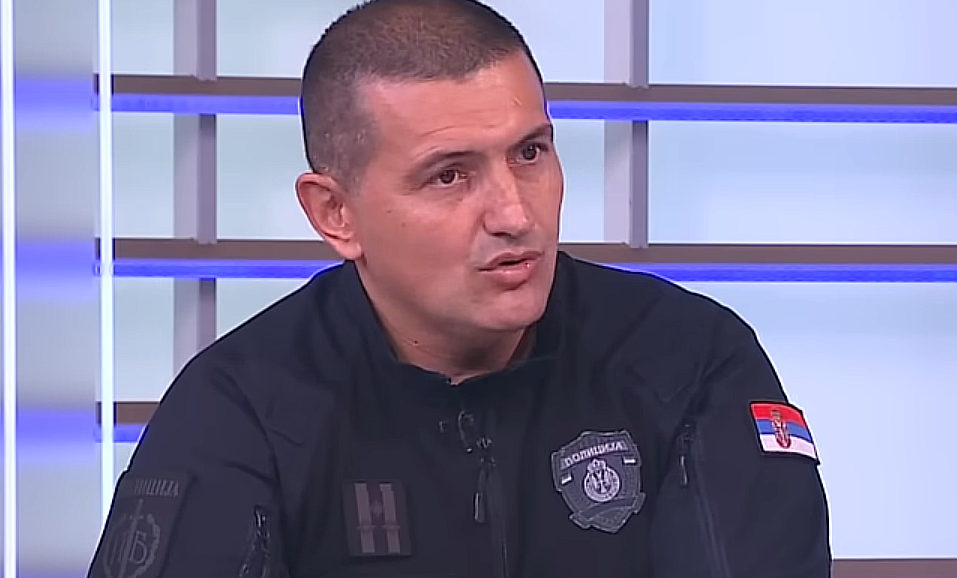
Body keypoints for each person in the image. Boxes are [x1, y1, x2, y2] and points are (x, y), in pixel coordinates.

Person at [87, 0, 832, 576]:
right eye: (449, 175)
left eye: (530, 153)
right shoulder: (240, 407)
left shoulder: (689, 358)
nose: (514, 215)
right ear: (335, 213)